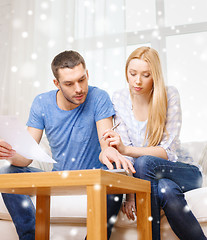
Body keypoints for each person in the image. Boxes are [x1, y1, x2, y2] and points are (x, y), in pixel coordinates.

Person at [0, 50, 135, 240]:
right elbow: (26, 156)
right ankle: (32, 237)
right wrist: (8, 152)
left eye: (81, 80)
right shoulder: (41, 103)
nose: (78, 89)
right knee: (8, 174)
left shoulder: (99, 97)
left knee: (112, 183)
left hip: (95, 179)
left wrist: (108, 151)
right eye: (69, 84)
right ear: (57, 83)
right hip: (59, 178)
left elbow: (106, 144)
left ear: (87, 75)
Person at [102, 46, 207, 240]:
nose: (137, 81)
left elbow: (168, 151)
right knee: (165, 189)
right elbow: (124, 157)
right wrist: (130, 193)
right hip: (152, 179)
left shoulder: (170, 95)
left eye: (146, 75)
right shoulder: (119, 98)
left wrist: (126, 149)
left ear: (155, 75)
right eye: (132, 73)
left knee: (145, 162)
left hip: (183, 172)